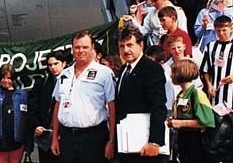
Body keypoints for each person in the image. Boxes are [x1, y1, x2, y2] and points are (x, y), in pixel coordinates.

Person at [50, 30, 116, 163]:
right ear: (72, 49)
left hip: (94, 138)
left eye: (85, 47)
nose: (81, 51)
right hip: (67, 137)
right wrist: (54, 138)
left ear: (92, 48)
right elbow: (58, 106)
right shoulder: (64, 75)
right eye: (77, 47)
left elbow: (112, 107)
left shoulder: (104, 73)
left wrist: (111, 140)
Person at [115, 27, 167, 163]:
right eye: (122, 46)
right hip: (127, 143)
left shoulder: (152, 69)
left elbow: (158, 106)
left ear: (141, 45)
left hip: (145, 145)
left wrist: (155, 141)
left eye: (130, 45)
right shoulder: (123, 70)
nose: (126, 50)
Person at [167, 59, 215, 163]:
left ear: (182, 72)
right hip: (183, 140)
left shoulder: (197, 93)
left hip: (196, 141)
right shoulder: (181, 94)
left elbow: (206, 121)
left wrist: (179, 123)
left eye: (173, 72)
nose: (171, 76)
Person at [0, 64, 28, 163]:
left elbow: (26, 118)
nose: (5, 80)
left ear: (13, 78)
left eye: (9, 78)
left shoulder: (22, 94)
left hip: (17, 139)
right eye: (3, 77)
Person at [29, 51, 67, 163]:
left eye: (56, 64)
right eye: (50, 65)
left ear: (63, 64)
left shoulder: (71, 82)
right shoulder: (42, 83)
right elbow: (32, 106)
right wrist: (36, 125)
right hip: (45, 135)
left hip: (65, 135)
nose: (53, 67)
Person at [200, 15, 233, 105]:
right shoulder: (210, 46)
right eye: (218, 31)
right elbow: (205, 69)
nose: (221, 33)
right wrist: (209, 85)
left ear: (231, 28)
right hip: (215, 92)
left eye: (224, 30)